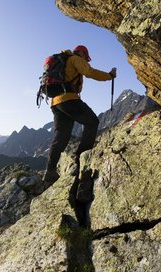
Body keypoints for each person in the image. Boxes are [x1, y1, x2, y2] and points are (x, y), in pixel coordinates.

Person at [43, 45, 117, 183]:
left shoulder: (63, 61)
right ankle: (81, 158)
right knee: (92, 121)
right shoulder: (75, 59)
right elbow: (89, 72)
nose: (86, 61)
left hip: (55, 102)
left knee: (61, 136)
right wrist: (109, 76)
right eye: (86, 58)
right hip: (69, 99)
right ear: (83, 53)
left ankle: (50, 170)